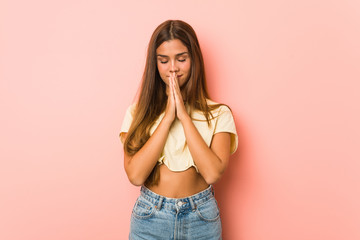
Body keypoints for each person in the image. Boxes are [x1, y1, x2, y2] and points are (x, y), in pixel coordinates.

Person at [119, 19, 238, 240]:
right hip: (150, 216)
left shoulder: (220, 114)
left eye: (181, 59)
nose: (173, 67)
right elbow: (135, 175)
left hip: (201, 218)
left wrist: (183, 116)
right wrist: (167, 118)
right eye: (164, 60)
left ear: (194, 60)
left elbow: (212, 173)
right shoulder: (136, 113)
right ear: (155, 64)